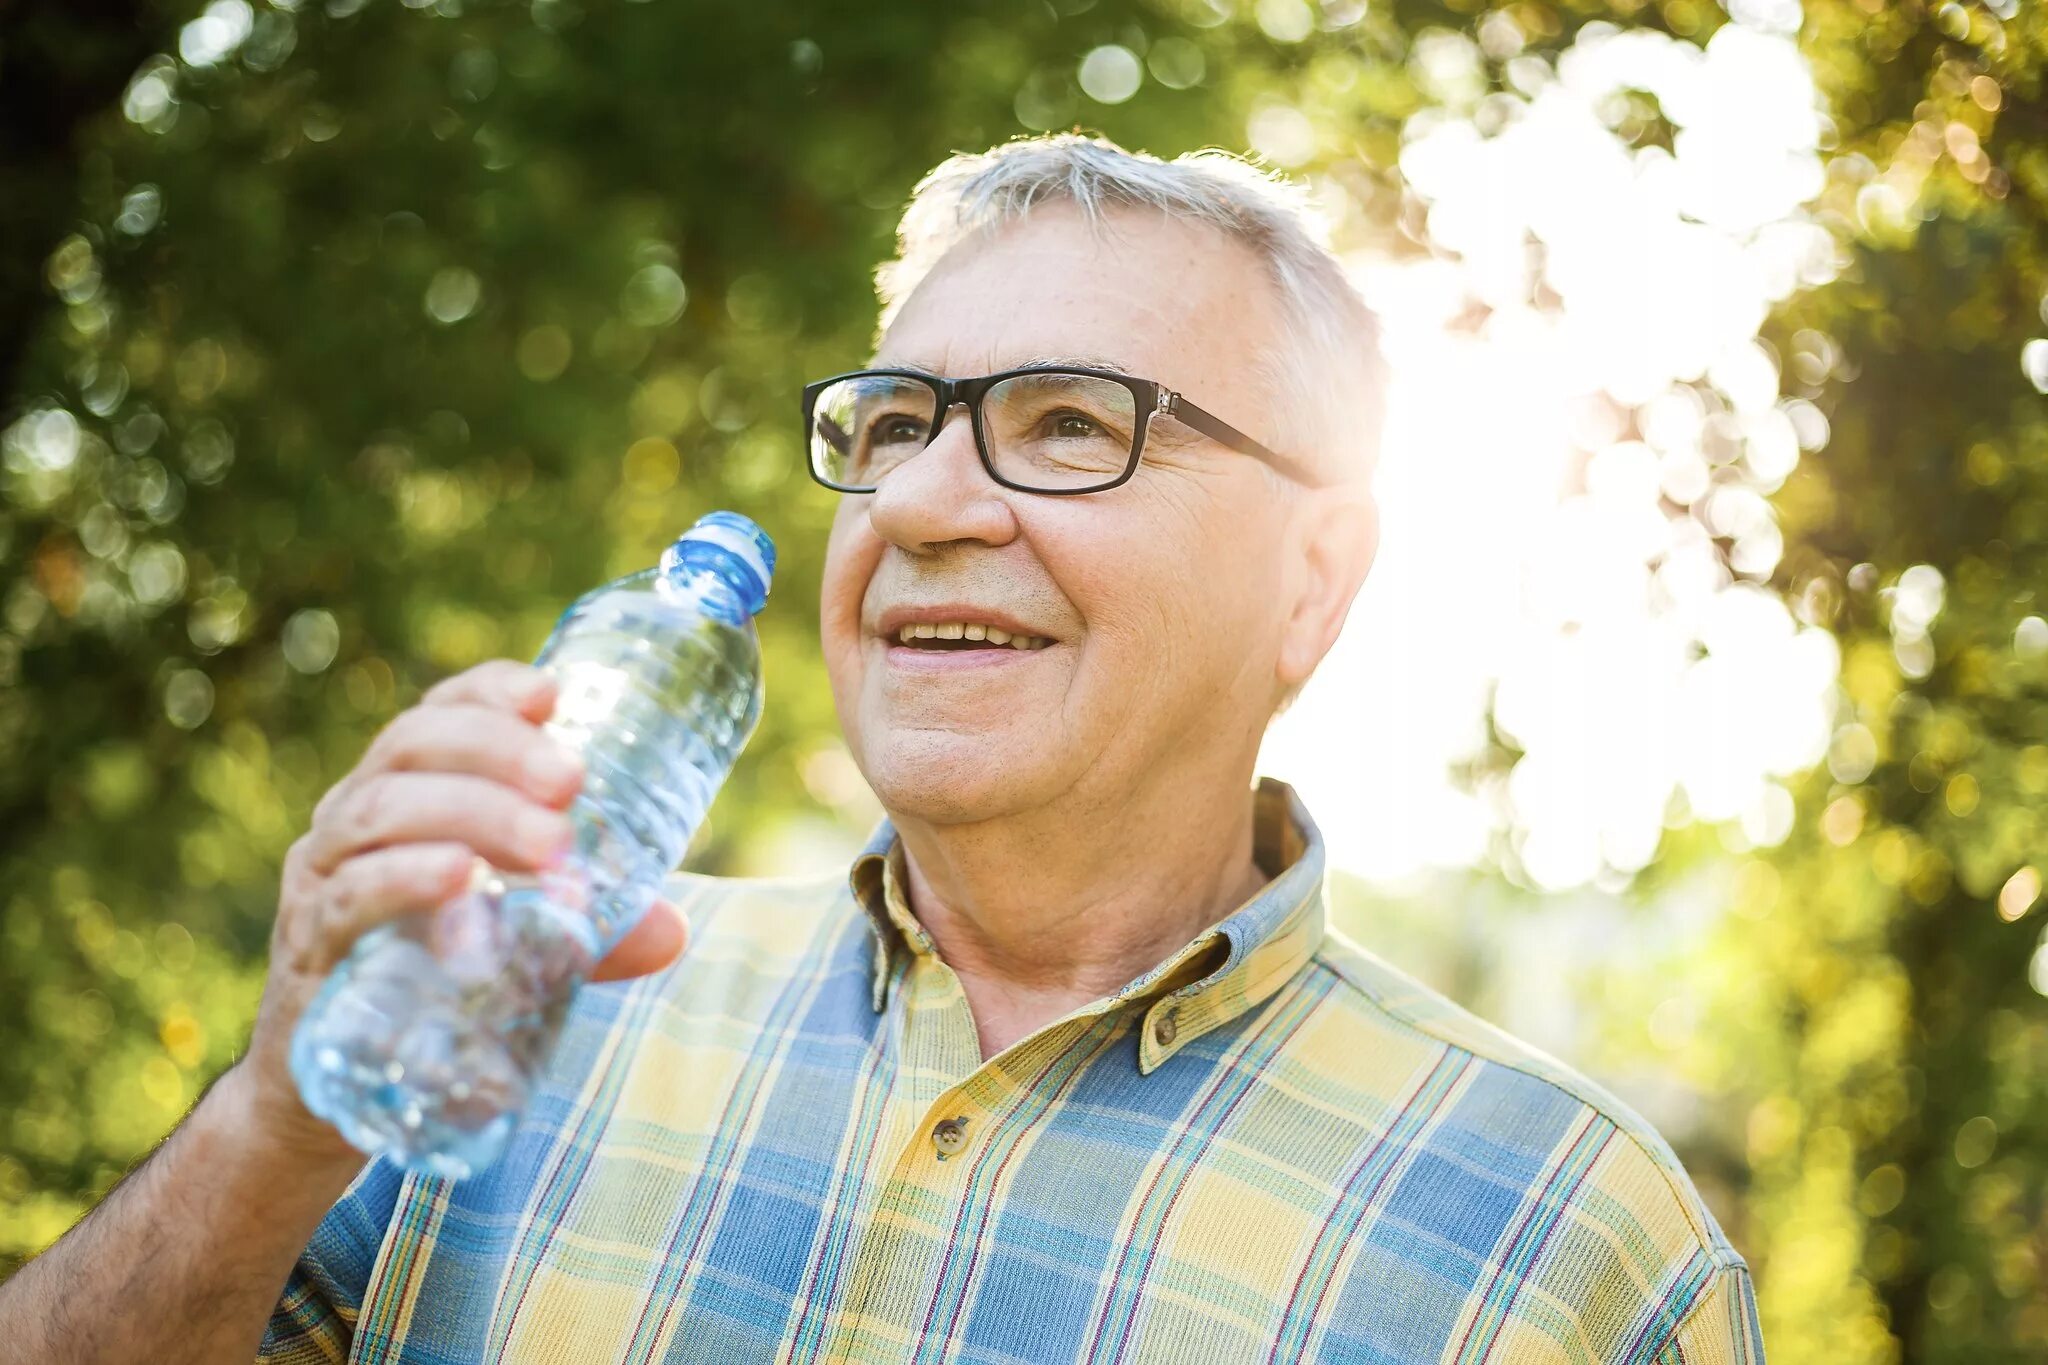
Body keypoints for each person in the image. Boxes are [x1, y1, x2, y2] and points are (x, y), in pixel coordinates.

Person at [0, 134, 1764, 1363]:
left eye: (1072, 423)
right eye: (897, 421)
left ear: (1314, 579)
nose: (919, 499)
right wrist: (272, 1117)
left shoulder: (1570, 1246)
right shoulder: (517, 1005)